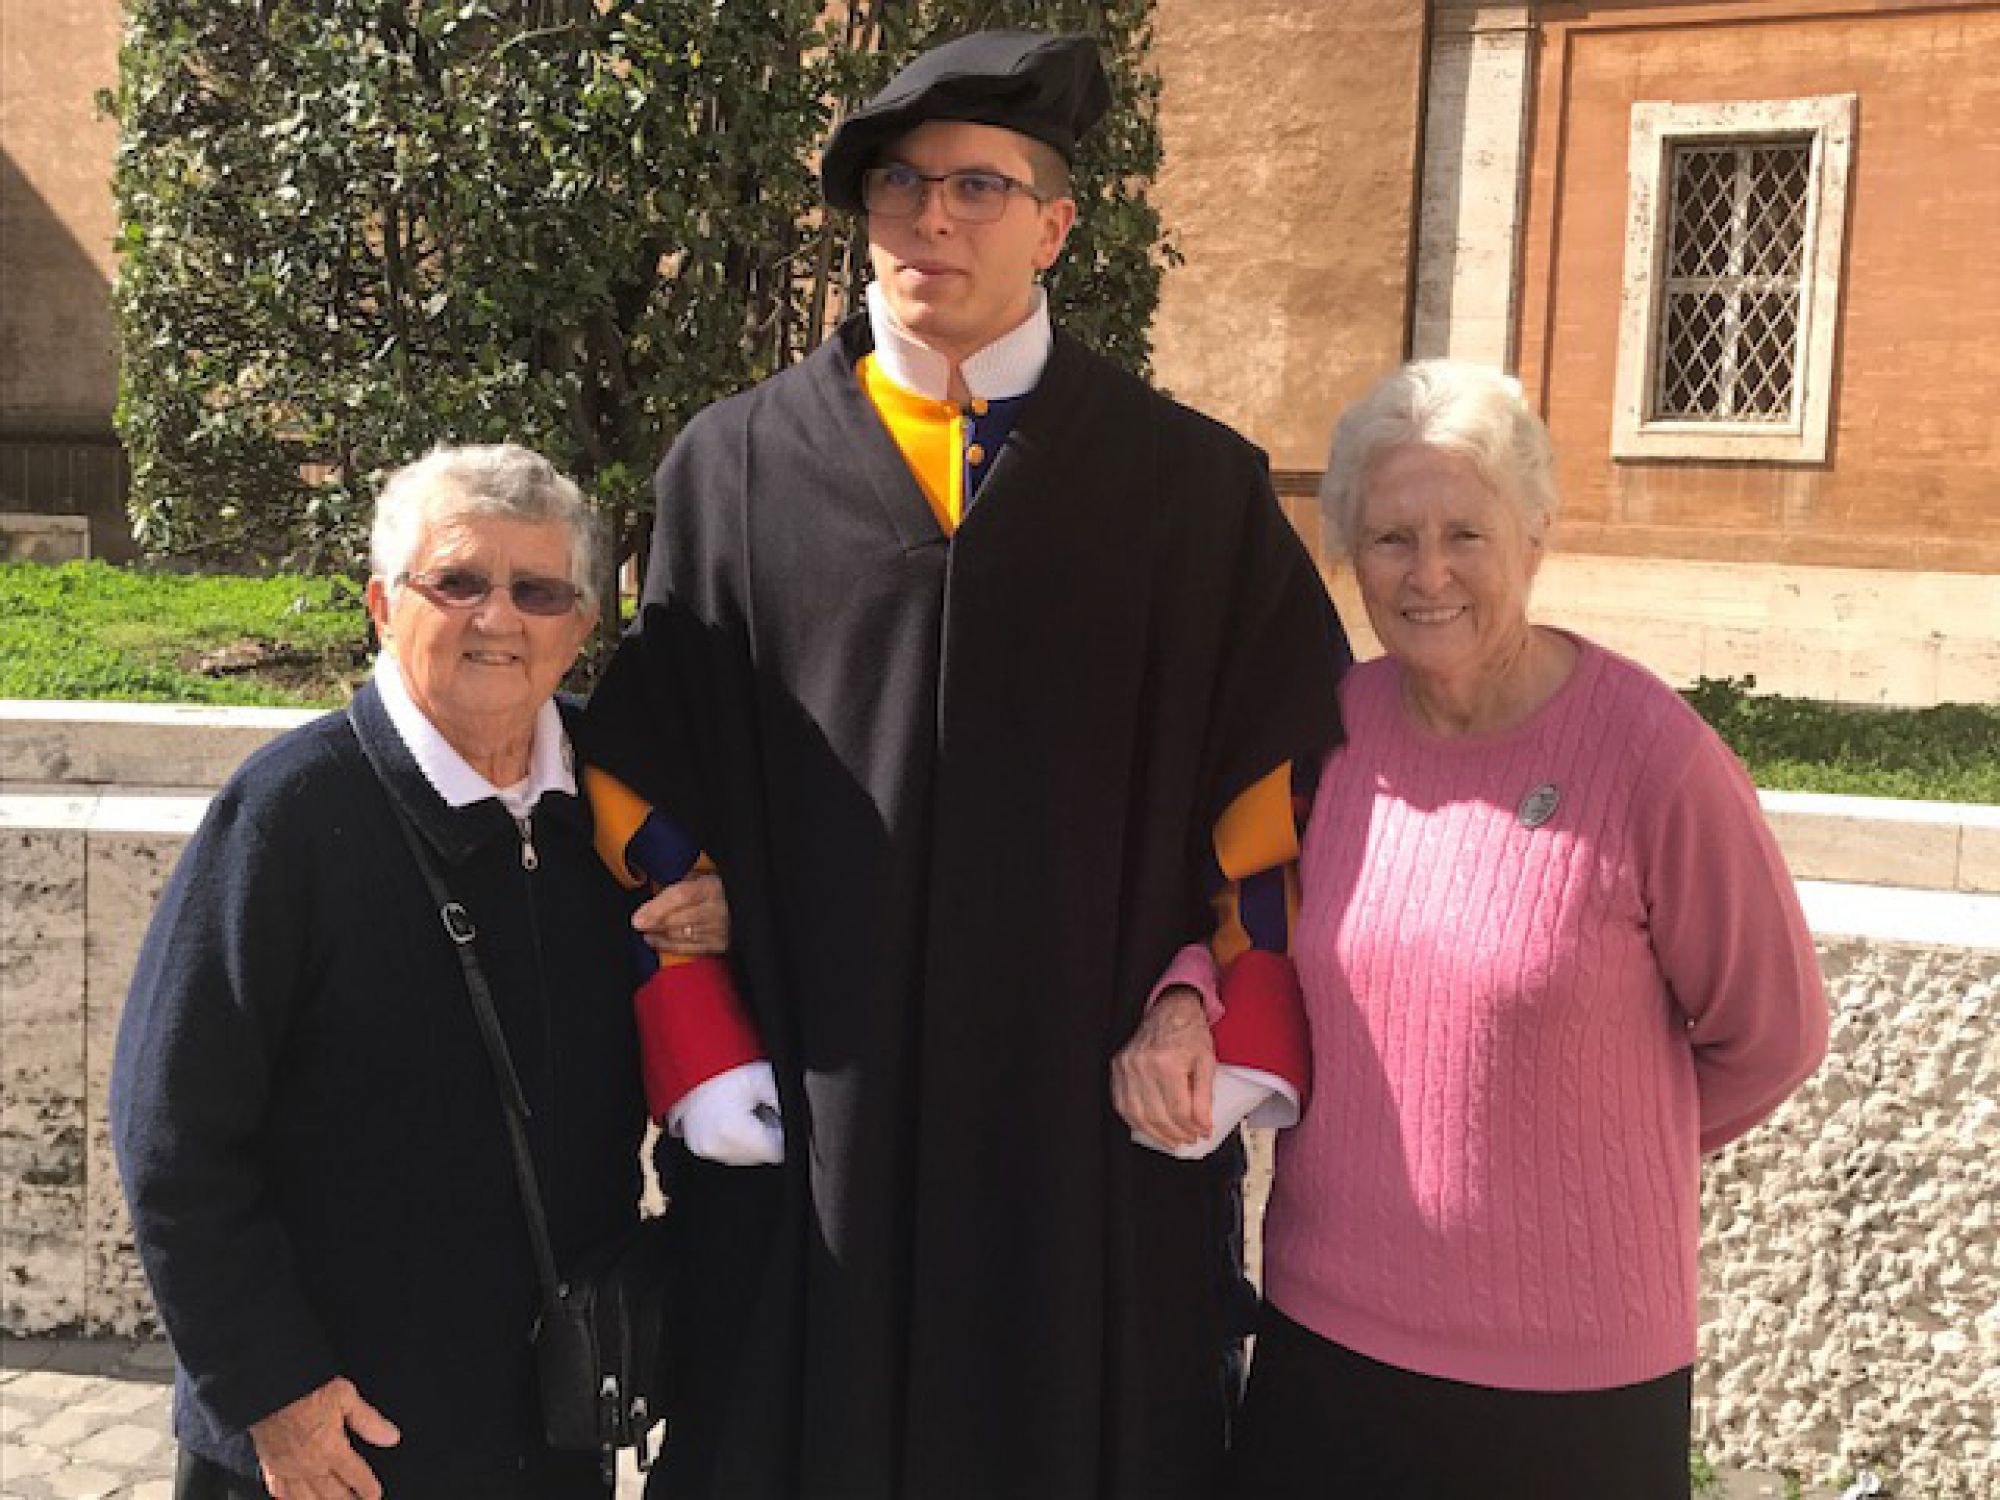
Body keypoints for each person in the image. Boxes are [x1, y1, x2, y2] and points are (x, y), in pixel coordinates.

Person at [580, 29, 1351, 1500]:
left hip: (1085, 1119)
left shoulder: (1189, 488)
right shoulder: (730, 472)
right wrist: (696, 1030)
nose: (934, 219)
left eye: (981, 187)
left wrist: (1222, 1014)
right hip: (820, 1110)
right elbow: (646, 779)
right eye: (899, 185)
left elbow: (1285, 789)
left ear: (1058, 224)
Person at [1114, 359, 1830, 1499]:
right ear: (1348, 551)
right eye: (1390, 539)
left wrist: (1591, 1150)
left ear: (1534, 536)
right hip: (1326, 1347)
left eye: (1464, 533)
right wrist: (1181, 999)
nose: (1427, 573)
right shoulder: (1326, 732)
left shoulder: (1651, 759)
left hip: (1570, 1384)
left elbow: (1773, 1033)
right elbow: (1248, 917)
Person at [109, 444, 724, 1500]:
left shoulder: (617, 808)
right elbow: (173, 1136)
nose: (499, 619)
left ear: (579, 627)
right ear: (383, 606)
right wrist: (274, 1393)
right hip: (339, 1441)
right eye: (459, 583)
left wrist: (718, 914)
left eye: (538, 592)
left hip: (546, 1430)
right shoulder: (288, 815)